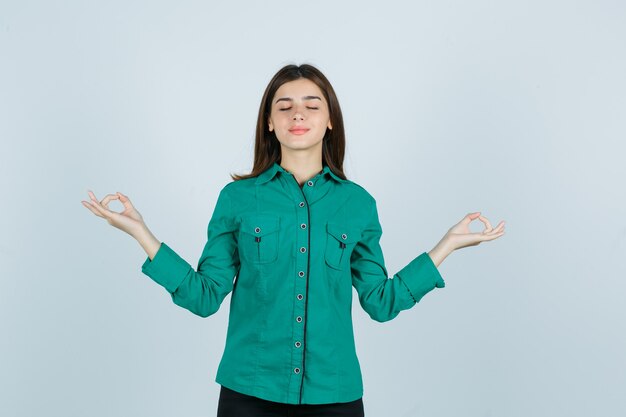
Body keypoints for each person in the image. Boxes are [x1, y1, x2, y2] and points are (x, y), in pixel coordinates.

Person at [81, 63, 506, 417]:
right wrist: (140, 232)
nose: (297, 115)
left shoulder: (358, 205)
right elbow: (205, 296)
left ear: (329, 119)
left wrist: (445, 246)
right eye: (284, 106)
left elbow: (380, 301)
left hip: (334, 396)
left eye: (310, 105)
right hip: (249, 395)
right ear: (269, 121)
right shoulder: (238, 199)